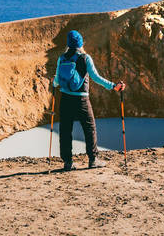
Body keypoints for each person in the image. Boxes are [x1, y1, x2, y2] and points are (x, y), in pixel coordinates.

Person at [53, 30, 125, 170]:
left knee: (65, 130)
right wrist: (113, 86)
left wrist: (53, 84)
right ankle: (93, 160)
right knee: (89, 128)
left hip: (65, 99)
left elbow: (56, 80)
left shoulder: (62, 58)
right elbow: (96, 78)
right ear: (80, 43)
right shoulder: (85, 58)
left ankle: (68, 162)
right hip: (81, 100)